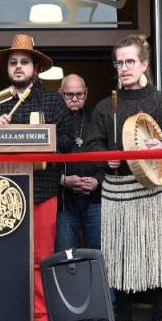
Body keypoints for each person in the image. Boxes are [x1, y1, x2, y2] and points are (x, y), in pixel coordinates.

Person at [84, 35, 162, 321]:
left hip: (154, 190)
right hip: (117, 190)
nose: (124, 67)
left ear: (144, 63)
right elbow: (92, 144)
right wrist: (105, 157)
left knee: (156, 259)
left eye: (130, 61)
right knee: (120, 260)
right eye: (119, 62)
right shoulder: (106, 107)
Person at [0, 34, 73, 321]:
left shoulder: (53, 101)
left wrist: (37, 137)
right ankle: (11, 318)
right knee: (6, 257)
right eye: (13, 62)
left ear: (36, 68)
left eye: (24, 62)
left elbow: (68, 141)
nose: (18, 67)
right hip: (0, 194)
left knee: (41, 257)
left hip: (42, 190)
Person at [54, 74, 103, 253]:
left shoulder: (98, 119)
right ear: (60, 93)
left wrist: (97, 180)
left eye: (79, 94)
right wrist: (62, 179)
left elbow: (110, 155)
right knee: (65, 256)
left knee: (98, 255)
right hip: (64, 203)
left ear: (86, 93)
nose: (74, 98)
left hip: (95, 200)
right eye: (69, 94)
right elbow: (41, 160)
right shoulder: (52, 121)